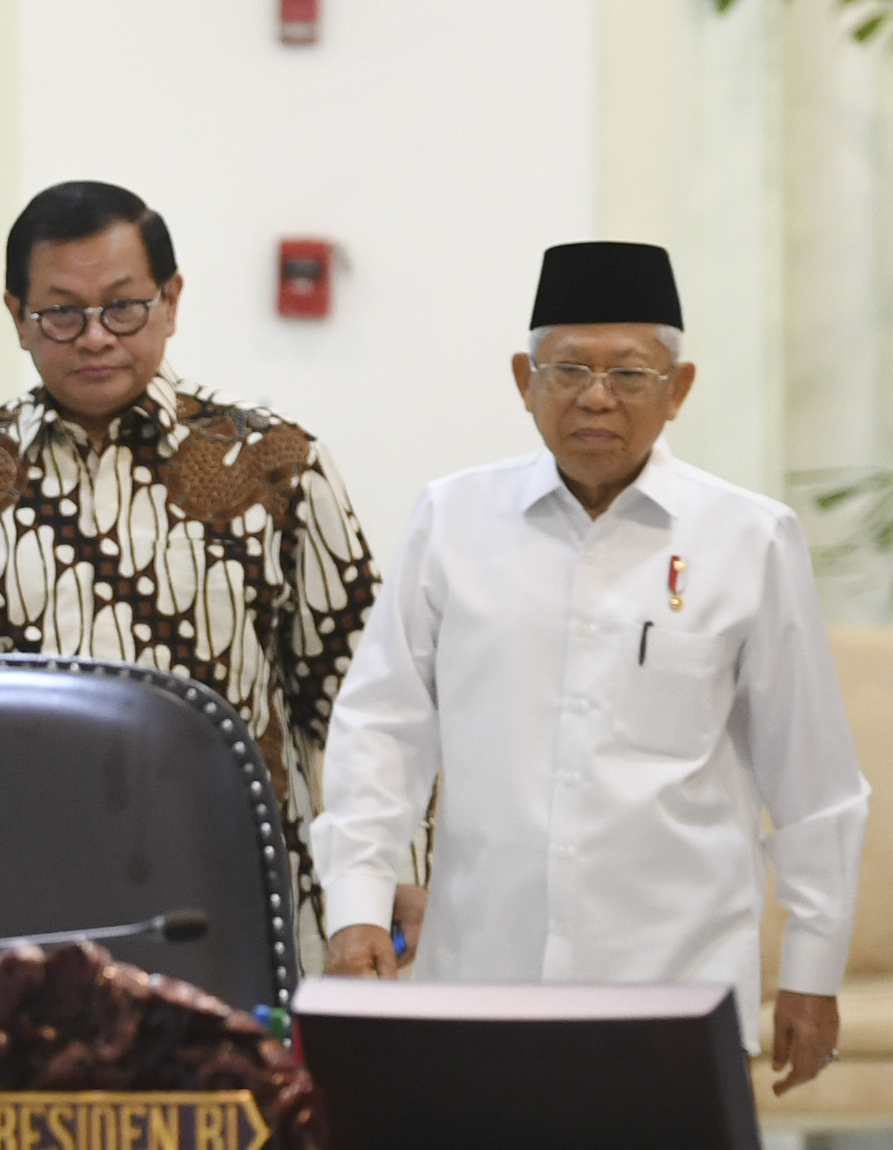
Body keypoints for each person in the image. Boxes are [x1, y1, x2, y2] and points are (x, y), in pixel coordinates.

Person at [310, 241, 870, 1094]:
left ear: (678, 389)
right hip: (481, 976)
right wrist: (356, 904)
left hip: (675, 988)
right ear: (524, 380)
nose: (597, 396)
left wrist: (813, 965)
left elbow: (812, 775)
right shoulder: (453, 520)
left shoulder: (748, 538)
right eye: (568, 368)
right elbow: (382, 726)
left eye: (630, 374)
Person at [0, 180, 414, 972]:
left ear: (171, 300)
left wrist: (387, 876)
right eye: (61, 313)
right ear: (17, 315)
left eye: (123, 307)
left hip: (231, 894)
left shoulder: (277, 465)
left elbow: (355, 702)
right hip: (12, 908)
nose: (95, 337)